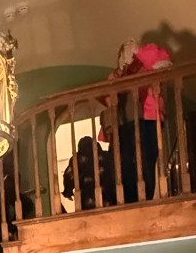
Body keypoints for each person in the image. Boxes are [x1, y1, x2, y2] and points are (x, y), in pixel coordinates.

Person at [109, 38, 172, 202]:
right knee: (125, 163)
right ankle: (130, 199)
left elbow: (164, 63)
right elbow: (109, 94)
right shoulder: (119, 73)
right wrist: (121, 69)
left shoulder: (147, 63)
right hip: (125, 124)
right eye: (123, 51)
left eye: (129, 48)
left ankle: (149, 197)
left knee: (147, 159)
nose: (127, 52)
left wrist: (139, 51)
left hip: (149, 118)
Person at [61, 136, 116, 210]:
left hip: (87, 200)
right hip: (108, 198)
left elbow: (69, 177)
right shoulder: (106, 156)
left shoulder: (76, 160)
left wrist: (68, 192)